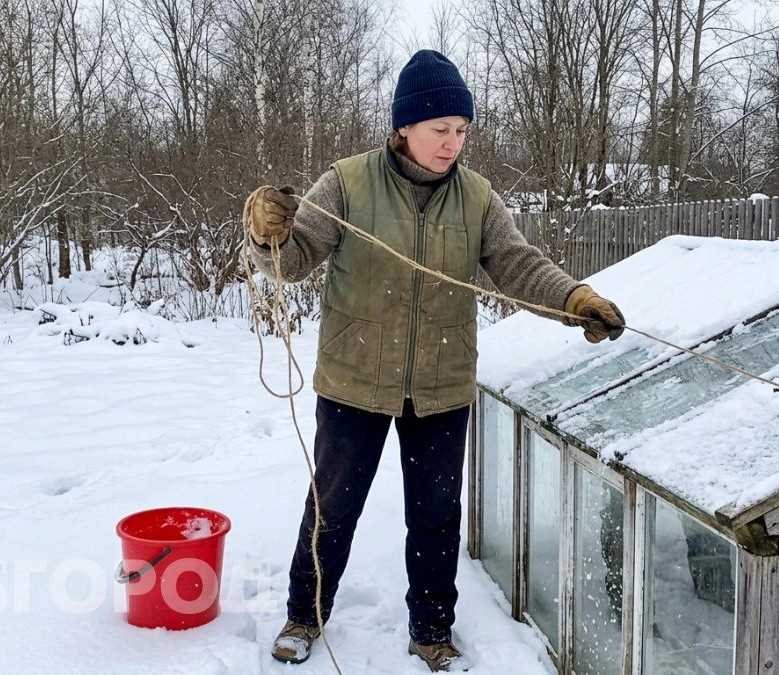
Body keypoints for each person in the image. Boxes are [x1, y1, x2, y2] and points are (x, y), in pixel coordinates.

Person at [243, 49, 625, 673]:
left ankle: (431, 630)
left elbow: (517, 264)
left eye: (462, 130)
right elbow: (293, 258)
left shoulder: (477, 197)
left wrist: (573, 299)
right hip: (354, 382)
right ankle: (303, 615)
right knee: (333, 509)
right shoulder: (347, 182)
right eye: (440, 129)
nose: (453, 143)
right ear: (404, 127)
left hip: (441, 387)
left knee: (436, 517)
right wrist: (268, 234)